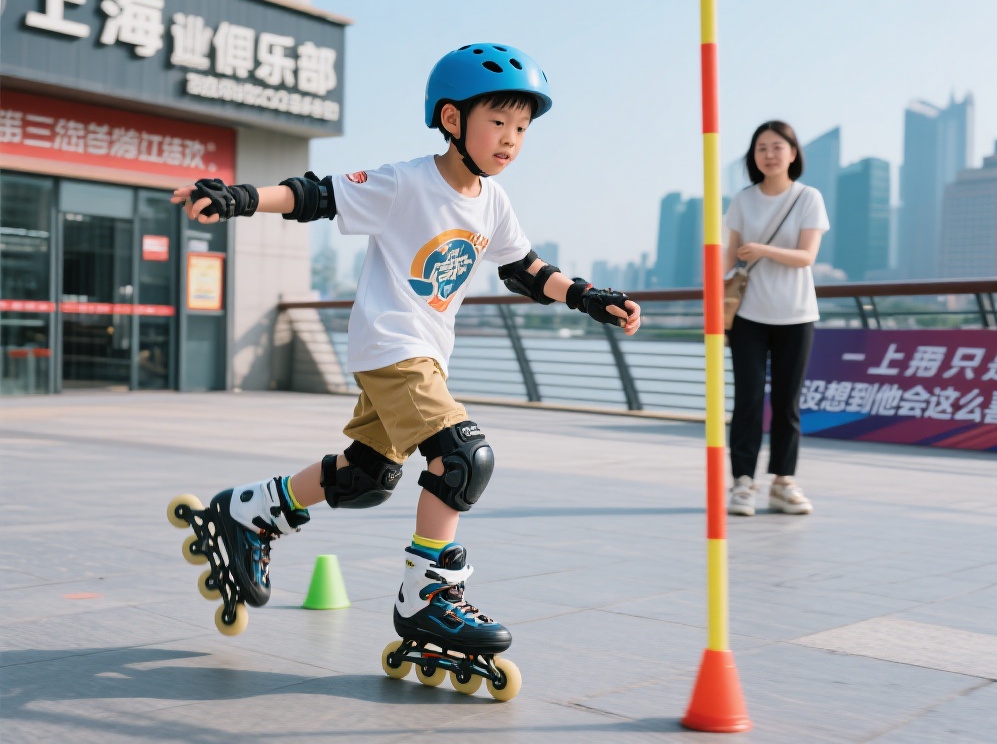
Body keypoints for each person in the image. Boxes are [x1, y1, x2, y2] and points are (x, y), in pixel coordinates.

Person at [169, 43, 641, 685]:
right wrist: (240, 197)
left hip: (425, 355)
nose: (511, 139)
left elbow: (524, 269)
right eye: (498, 122)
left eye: (522, 127)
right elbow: (317, 195)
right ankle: (428, 598)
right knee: (462, 457)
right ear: (452, 119)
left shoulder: (492, 201)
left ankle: (250, 513)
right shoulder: (406, 182)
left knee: (366, 476)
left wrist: (586, 296)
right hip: (392, 346)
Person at [723, 120, 828, 517]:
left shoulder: (808, 197)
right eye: (761, 148)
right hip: (749, 316)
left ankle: (783, 482)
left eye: (777, 147)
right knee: (747, 401)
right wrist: (713, 286)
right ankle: (743, 483)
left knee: (787, 403)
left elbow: (806, 256)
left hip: (797, 314)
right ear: (753, 156)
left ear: (793, 153)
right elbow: (728, 256)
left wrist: (763, 250)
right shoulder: (743, 200)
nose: (769, 154)